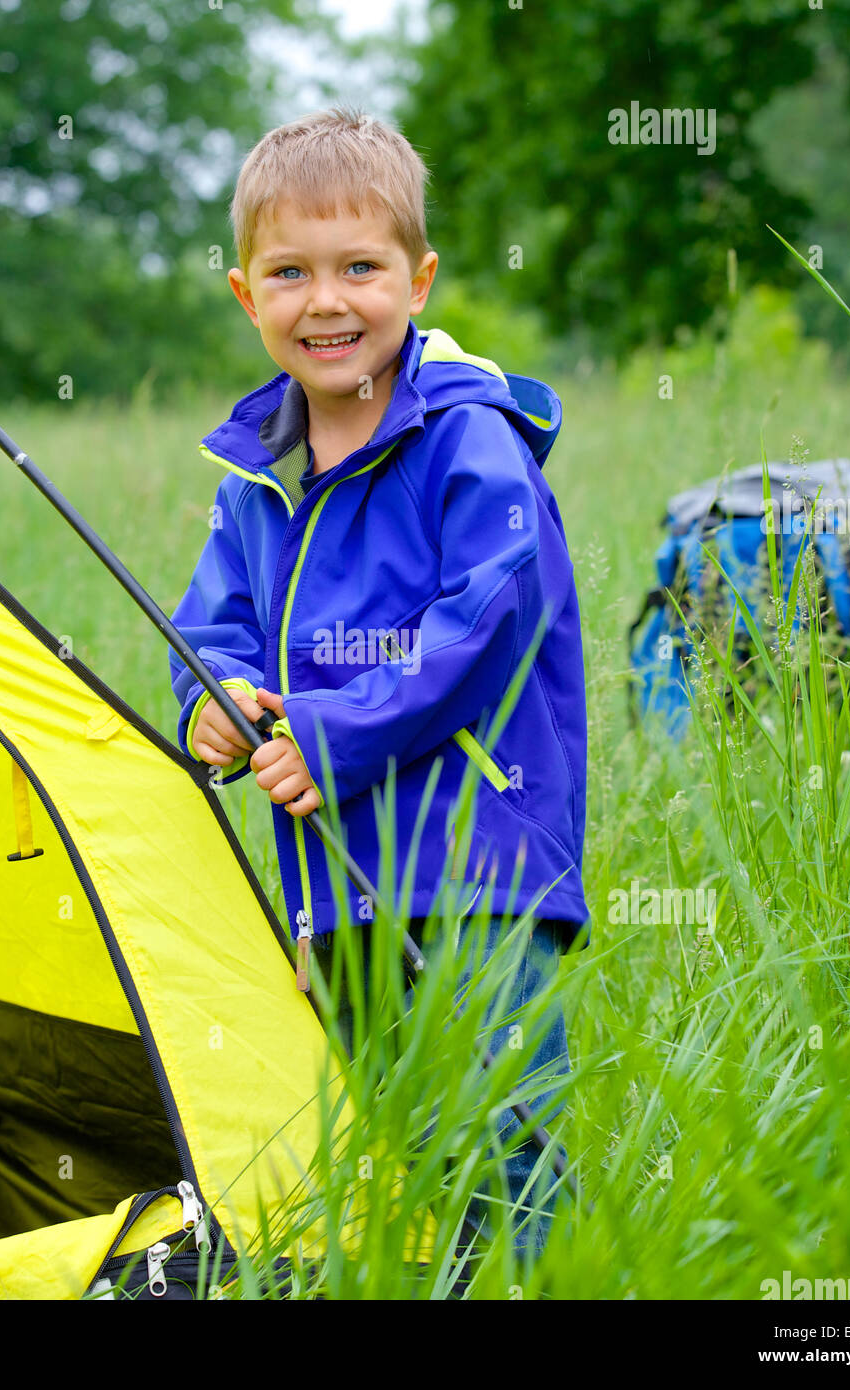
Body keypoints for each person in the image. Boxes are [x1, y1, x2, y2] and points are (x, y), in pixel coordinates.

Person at [169, 106, 588, 1262]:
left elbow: (487, 622)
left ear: (419, 278)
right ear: (250, 298)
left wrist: (333, 731)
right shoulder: (256, 476)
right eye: (290, 273)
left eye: (362, 266)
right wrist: (214, 699)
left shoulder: (469, 441)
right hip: (335, 891)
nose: (328, 300)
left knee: (505, 1147)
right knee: (402, 1152)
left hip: (477, 869)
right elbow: (211, 624)